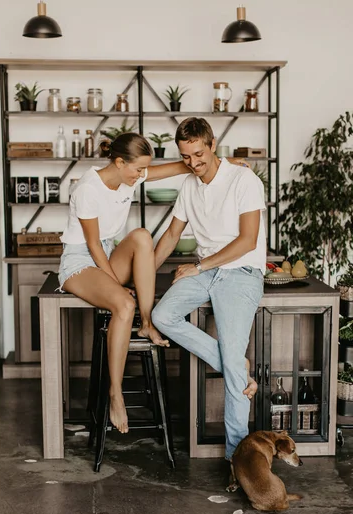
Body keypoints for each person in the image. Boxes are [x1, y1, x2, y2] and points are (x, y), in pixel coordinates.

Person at [59, 131, 254, 437]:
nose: (141, 176)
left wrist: (225, 164)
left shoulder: (129, 176)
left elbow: (180, 166)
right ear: (120, 162)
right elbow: (93, 246)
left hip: (108, 255)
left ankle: (148, 322)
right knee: (124, 304)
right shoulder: (88, 188)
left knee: (141, 235)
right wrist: (117, 286)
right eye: (138, 170)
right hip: (81, 261)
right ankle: (116, 393)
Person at [152, 117, 266, 461]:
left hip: (241, 272)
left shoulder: (243, 179)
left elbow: (247, 240)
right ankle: (236, 365)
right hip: (206, 271)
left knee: (231, 363)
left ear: (213, 144)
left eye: (198, 154)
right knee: (162, 314)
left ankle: (238, 459)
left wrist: (199, 265)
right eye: (186, 157)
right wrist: (143, 275)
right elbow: (171, 235)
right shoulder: (189, 185)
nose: (193, 163)